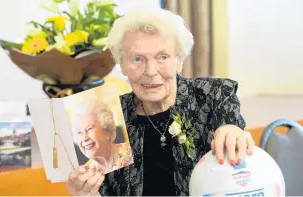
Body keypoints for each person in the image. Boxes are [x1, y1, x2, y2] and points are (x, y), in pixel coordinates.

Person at [67, 7, 255, 196]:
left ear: (179, 61)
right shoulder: (111, 116)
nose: (150, 71)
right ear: (122, 64)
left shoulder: (214, 95)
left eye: (162, 57)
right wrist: (88, 194)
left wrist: (234, 132)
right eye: (137, 58)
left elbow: (231, 128)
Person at [70, 99, 133, 174]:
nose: (84, 138)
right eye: (79, 132)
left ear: (107, 130)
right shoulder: (85, 175)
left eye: (89, 129)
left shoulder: (132, 152)